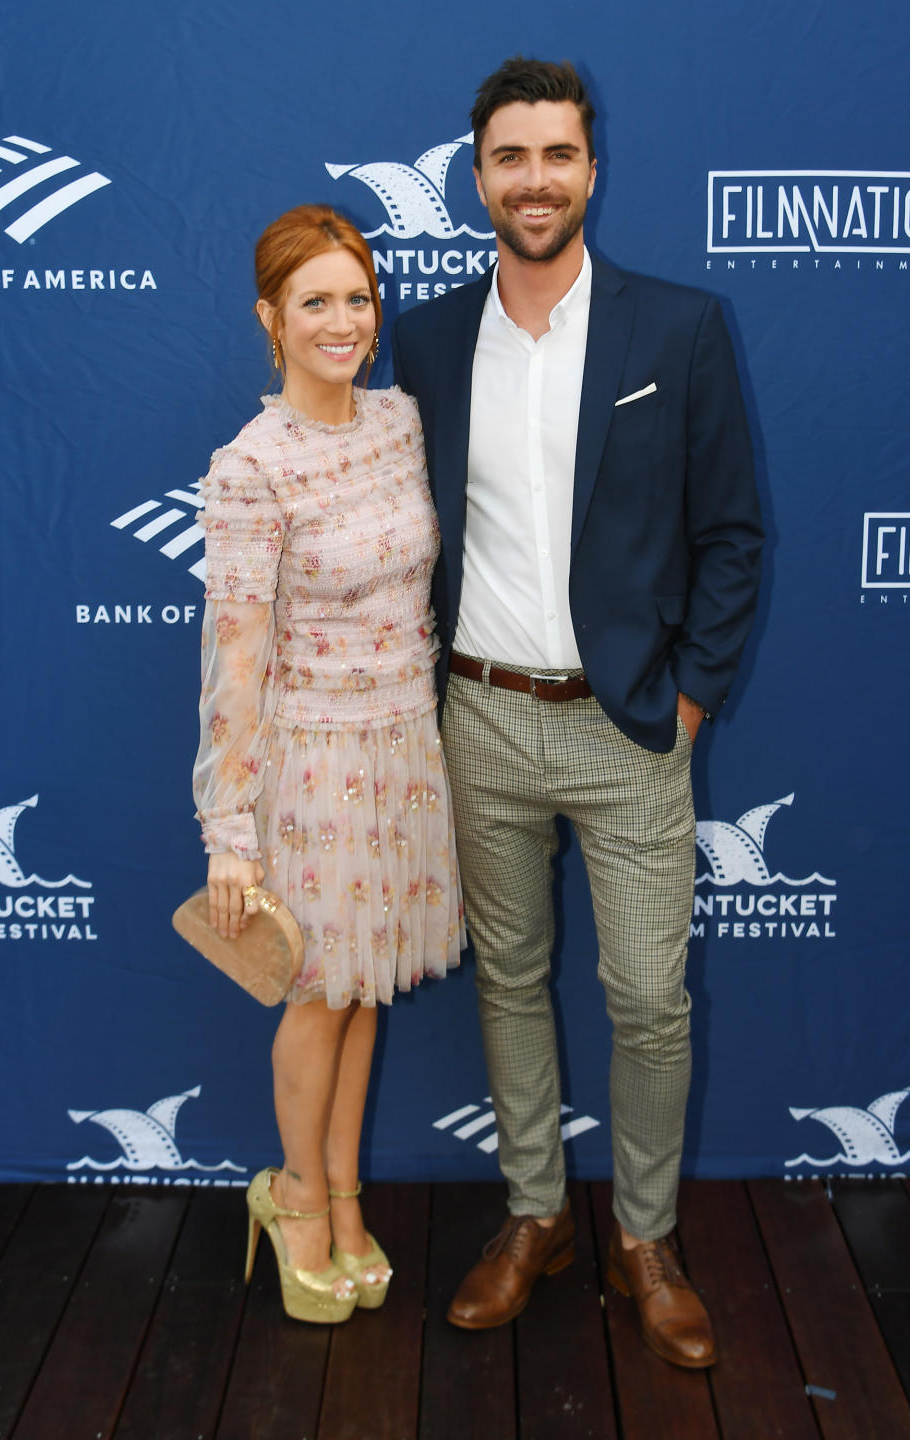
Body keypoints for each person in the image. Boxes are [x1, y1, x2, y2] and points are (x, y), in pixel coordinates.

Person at [392, 58, 762, 1367]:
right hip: (478, 717)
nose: (535, 179)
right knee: (512, 981)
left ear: (591, 168)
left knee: (651, 997)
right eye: (510, 157)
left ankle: (646, 1238)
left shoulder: (679, 329)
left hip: (628, 726)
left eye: (558, 154)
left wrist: (694, 698)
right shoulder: (428, 338)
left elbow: (733, 537)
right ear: (476, 174)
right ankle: (537, 1216)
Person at [193, 204, 463, 1325]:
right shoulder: (252, 467)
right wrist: (229, 830)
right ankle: (293, 1196)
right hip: (308, 765)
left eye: (358, 297)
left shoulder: (401, 424)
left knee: (361, 995)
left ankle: (345, 1199)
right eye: (316, 302)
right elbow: (234, 660)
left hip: (407, 746)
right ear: (271, 319)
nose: (343, 321)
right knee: (315, 991)